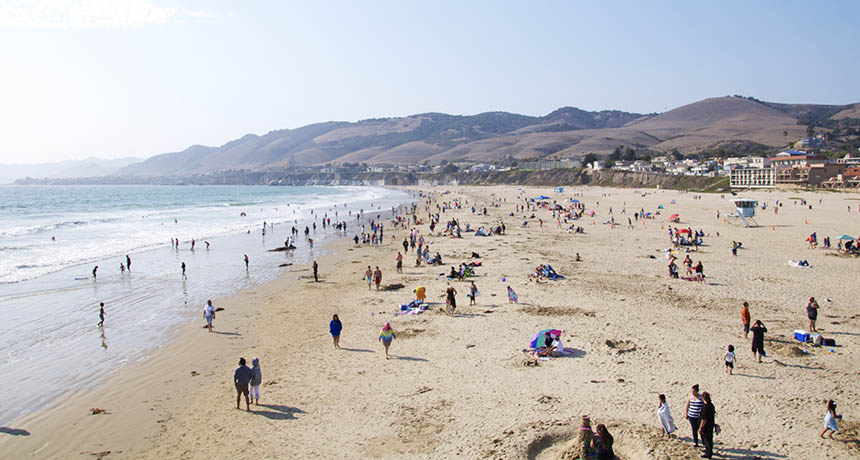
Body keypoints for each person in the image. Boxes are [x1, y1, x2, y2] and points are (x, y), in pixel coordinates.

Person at [699, 392, 716, 458]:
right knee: (709, 439)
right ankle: (708, 451)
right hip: (711, 424)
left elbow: (704, 419)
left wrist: (701, 428)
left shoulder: (705, 407)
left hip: (706, 426)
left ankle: (708, 453)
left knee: (707, 440)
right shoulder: (711, 405)